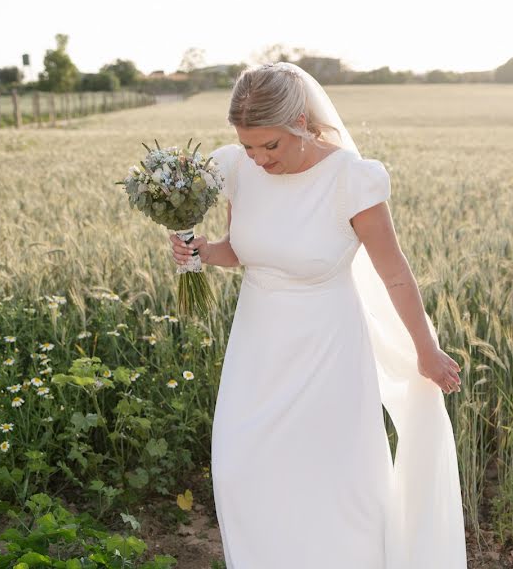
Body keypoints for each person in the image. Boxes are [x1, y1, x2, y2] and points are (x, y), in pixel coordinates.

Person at [168, 62, 467, 568]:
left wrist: (425, 349)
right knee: (243, 470)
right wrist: (197, 252)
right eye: (249, 146)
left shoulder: (352, 179)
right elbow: (244, 250)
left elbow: (394, 272)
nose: (259, 159)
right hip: (258, 346)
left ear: (301, 121)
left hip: (327, 349)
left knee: (333, 481)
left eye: (271, 146)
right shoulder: (238, 169)